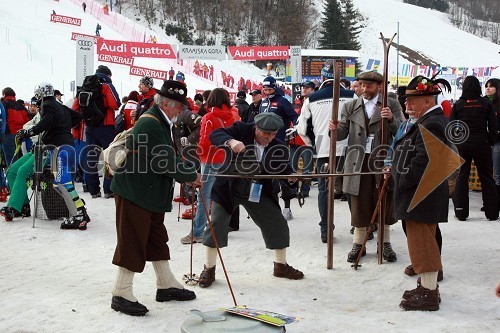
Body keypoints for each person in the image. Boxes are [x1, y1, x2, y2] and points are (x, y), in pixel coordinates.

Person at [110, 80, 202, 316]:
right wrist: (190, 176)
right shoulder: (152, 123)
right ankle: (121, 292)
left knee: (155, 240)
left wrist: (187, 173)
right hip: (136, 192)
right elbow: (163, 161)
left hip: (147, 192)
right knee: (132, 241)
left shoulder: (161, 121)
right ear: (167, 103)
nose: (182, 110)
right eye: (180, 106)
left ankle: (166, 284)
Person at [197, 112, 304, 288]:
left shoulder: (277, 145)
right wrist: (231, 142)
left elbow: (283, 167)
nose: (269, 138)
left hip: (258, 190)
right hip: (229, 188)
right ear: (256, 128)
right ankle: (209, 268)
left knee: (277, 222)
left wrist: (290, 176)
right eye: (265, 134)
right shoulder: (241, 130)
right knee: (215, 223)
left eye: (273, 134)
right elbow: (215, 135)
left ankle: (281, 266)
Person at [389, 75, 450, 311]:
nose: (407, 105)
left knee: (423, 244)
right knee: (423, 242)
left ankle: (428, 294)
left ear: (427, 100)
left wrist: (401, 179)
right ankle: (429, 286)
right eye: (406, 100)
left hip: (420, 193)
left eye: (412, 100)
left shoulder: (432, 122)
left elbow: (424, 161)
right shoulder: (431, 119)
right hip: (421, 192)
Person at [330, 70, 403, 261]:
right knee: (358, 201)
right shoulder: (351, 105)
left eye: (368, 85)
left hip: (382, 159)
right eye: (362, 85)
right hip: (357, 160)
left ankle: (385, 243)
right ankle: (358, 243)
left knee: (384, 200)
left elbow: (402, 133)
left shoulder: (391, 104)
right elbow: (342, 133)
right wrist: (334, 129)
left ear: (379, 86)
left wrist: (392, 120)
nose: (364, 89)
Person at [296, 61, 355, 242]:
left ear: (321, 78)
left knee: (324, 190)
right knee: (352, 188)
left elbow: (302, 129)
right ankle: (359, 225)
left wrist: (312, 145)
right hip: (349, 148)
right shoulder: (352, 96)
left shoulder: (311, 99)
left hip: (323, 149)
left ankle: (326, 229)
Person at [17, 82, 90, 230]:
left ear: (41, 94)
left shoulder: (47, 104)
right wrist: (63, 127)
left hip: (59, 148)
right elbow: (78, 117)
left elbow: (48, 120)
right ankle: (80, 210)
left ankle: (78, 215)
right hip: (67, 146)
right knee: (60, 183)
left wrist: (31, 132)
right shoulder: (60, 106)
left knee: (62, 183)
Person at [180, 88, 239, 244]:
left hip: (210, 160)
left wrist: (199, 154)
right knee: (223, 195)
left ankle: (197, 232)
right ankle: (221, 227)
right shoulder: (233, 116)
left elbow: (205, 140)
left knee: (204, 197)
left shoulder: (209, 117)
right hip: (227, 160)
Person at [450, 75, 498, 221]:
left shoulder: (459, 104)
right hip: (482, 142)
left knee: (462, 177)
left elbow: (451, 125)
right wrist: (489, 139)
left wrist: (457, 141)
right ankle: (492, 213)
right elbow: (493, 126)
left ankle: (461, 212)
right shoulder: (485, 103)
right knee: (487, 178)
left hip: (463, 144)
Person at [260, 76, 298, 221]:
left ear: (275, 88)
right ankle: (271, 206)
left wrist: (294, 128)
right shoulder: (263, 102)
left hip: (280, 142)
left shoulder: (282, 101)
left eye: (269, 88)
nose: (267, 91)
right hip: (264, 144)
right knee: (267, 176)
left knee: (283, 174)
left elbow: (294, 116)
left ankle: (287, 207)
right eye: (265, 89)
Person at [81, 65, 120, 199]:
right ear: (108, 75)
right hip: (106, 126)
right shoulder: (107, 86)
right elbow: (115, 104)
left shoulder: (86, 85)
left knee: (91, 159)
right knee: (110, 157)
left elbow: (77, 106)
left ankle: (93, 190)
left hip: (90, 127)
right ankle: (108, 190)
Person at [0, 98, 40, 221]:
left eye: (36, 104)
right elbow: (26, 125)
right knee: (11, 170)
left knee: (22, 171)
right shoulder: (40, 114)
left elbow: (30, 127)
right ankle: (23, 206)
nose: (34, 107)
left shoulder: (52, 112)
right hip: (35, 149)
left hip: (46, 151)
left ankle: (13, 206)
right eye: (33, 104)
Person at [1, 87, 31, 166]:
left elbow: (2, 120)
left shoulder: (3, 105)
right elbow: (28, 121)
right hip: (21, 136)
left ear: (4, 94)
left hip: (8, 135)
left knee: (11, 160)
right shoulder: (22, 107)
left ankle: (11, 176)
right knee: (21, 160)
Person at [485, 78, 500, 200]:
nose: (488, 88)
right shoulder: (485, 102)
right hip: (487, 141)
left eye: (491, 86)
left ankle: (496, 201)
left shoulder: (497, 105)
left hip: (497, 141)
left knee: (496, 172)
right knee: (490, 172)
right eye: (486, 86)